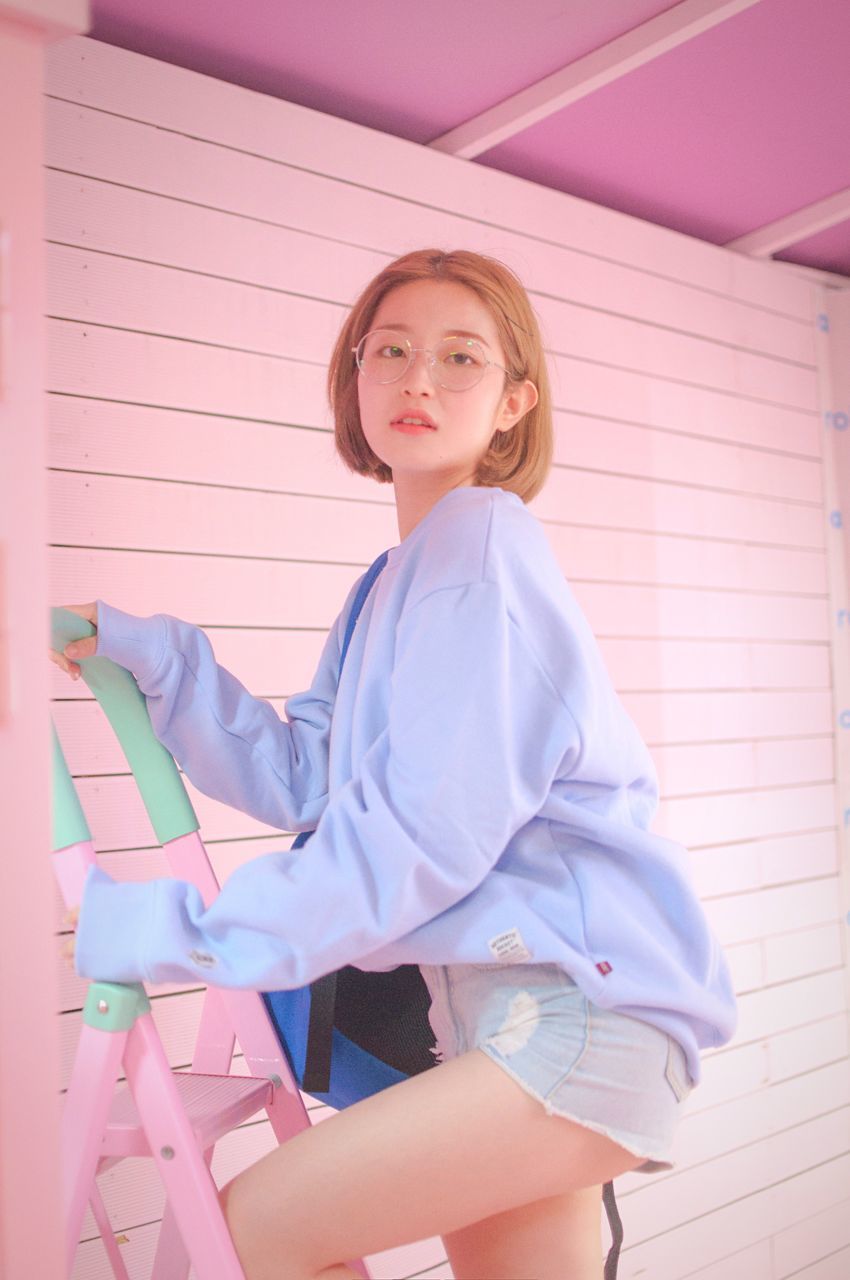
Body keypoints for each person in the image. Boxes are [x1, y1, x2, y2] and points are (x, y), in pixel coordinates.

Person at [51, 248, 737, 1280]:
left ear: (514, 401)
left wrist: (168, 929)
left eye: (460, 357)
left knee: (254, 1226)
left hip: (574, 1019)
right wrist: (165, 661)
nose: (419, 377)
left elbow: (414, 836)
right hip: (512, 1024)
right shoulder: (394, 581)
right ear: (355, 380)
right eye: (393, 351)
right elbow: (307, 781)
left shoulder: (479, 549)